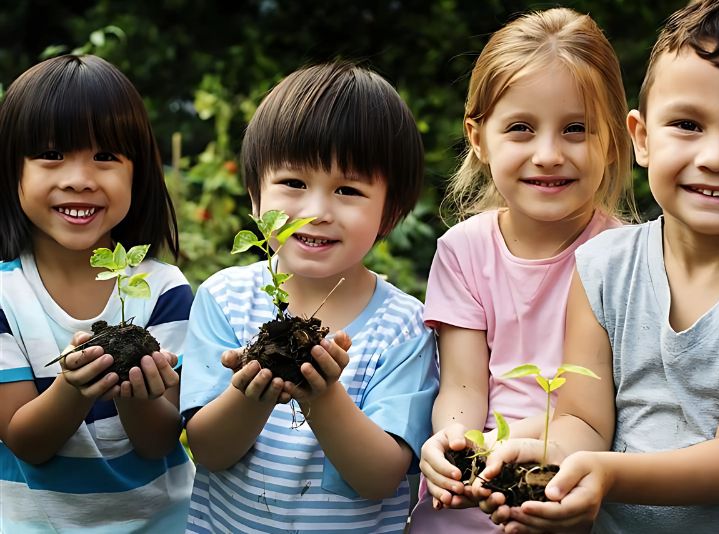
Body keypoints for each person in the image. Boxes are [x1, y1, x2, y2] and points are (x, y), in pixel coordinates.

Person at [476, 1, 719, 532]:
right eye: (688, 124)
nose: (717, 156)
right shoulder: (602, 267)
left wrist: (607, 474)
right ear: (642, 137)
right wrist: (520, 456)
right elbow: (584, 421)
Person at [179, 62, 439, 534]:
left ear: (391, 211)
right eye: (294, 184)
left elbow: (380, 477)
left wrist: (323, 395)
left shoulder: (405, 327)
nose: (317, 212)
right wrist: (252, 393)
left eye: (348, 189)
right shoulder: (225, 298)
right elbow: (209, 451)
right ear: (255, 196)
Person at [408, 8, 634, 533]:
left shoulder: (626, 257)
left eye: (576, 129)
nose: (549, 154)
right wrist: (453, 443)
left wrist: (527, 458)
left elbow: (594, 417)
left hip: (564, 494)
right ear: (478, 137)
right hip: (467, 504)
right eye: (521, 129)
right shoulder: (464, 250)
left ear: (611, 139)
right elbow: (463, 387)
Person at [0, 55, 194, 532]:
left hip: (160, 523)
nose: (80, 178)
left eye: (106, 157)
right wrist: (73, 386)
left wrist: (135, 391)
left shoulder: (163, 290)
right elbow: (24, 439)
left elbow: (161, 440)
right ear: (12, 170)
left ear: (138, 172)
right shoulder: (4, 295)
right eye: (51, 154)